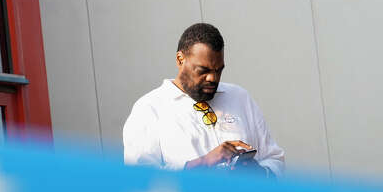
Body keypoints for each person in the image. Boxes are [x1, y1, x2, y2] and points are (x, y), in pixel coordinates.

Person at [122, 23, 284, 177]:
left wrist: (260, 173)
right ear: (180, 59)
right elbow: (140, 178)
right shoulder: (150, 109)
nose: (213, 78)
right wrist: (204, 162)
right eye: (203, 70)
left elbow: (274, 158)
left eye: (218, 70)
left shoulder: (240, 98)